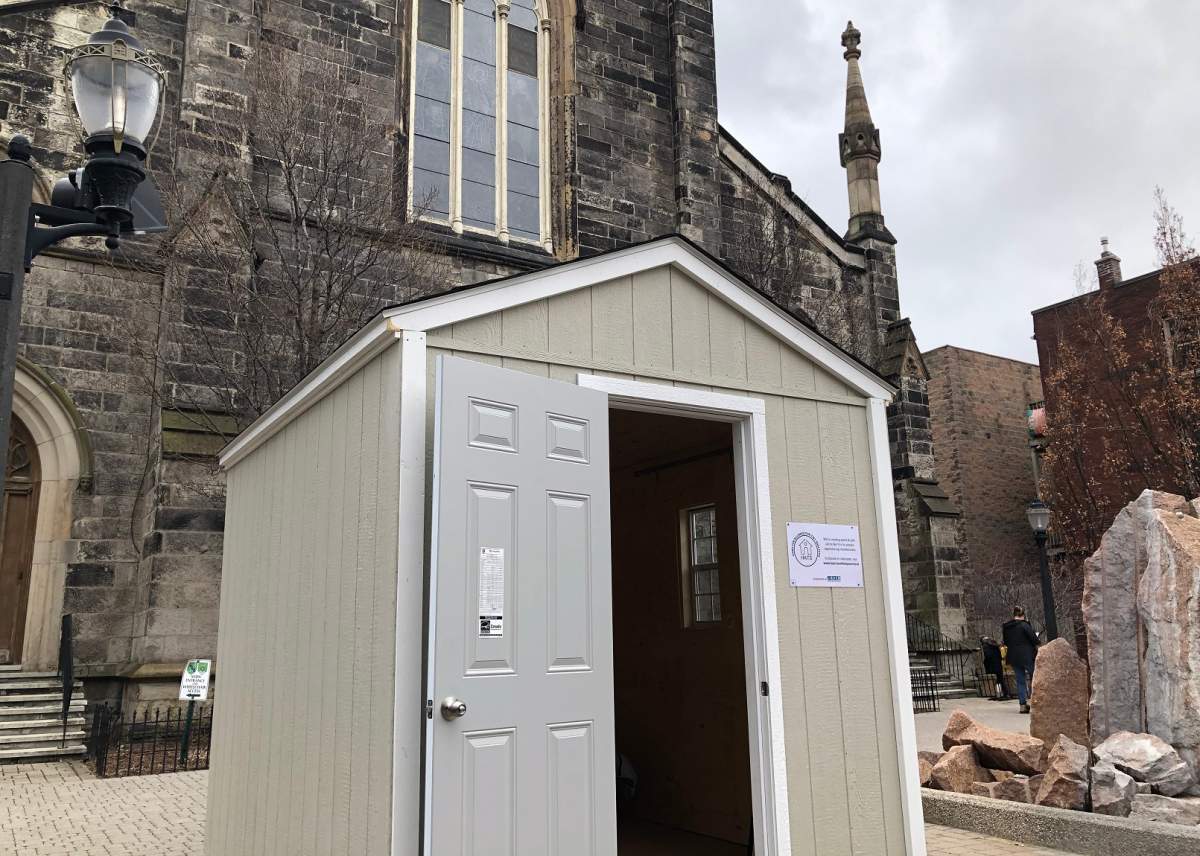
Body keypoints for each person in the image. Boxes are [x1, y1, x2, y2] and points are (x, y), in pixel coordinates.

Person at [1001, 606, 1040, 713]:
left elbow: (1006, 642)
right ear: (1023, 615)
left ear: (1014, 615)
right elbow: (1034, 639)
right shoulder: (1024, 625)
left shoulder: (1007, 627)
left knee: (1020, 680)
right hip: (1027, 655)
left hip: (1013, 656)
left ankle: (1022, 705)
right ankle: (1035, 702)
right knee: (1035, 677)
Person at [980, 636, 1009, 700]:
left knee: (997, 680)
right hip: (998, 663)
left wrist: (985, 662)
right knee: (1000, 679)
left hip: (992, 664)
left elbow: (988, 655)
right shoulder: (994, 643)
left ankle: (1000, 694)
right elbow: (1000, 655)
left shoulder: (985, 645)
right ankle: (1004, 693)